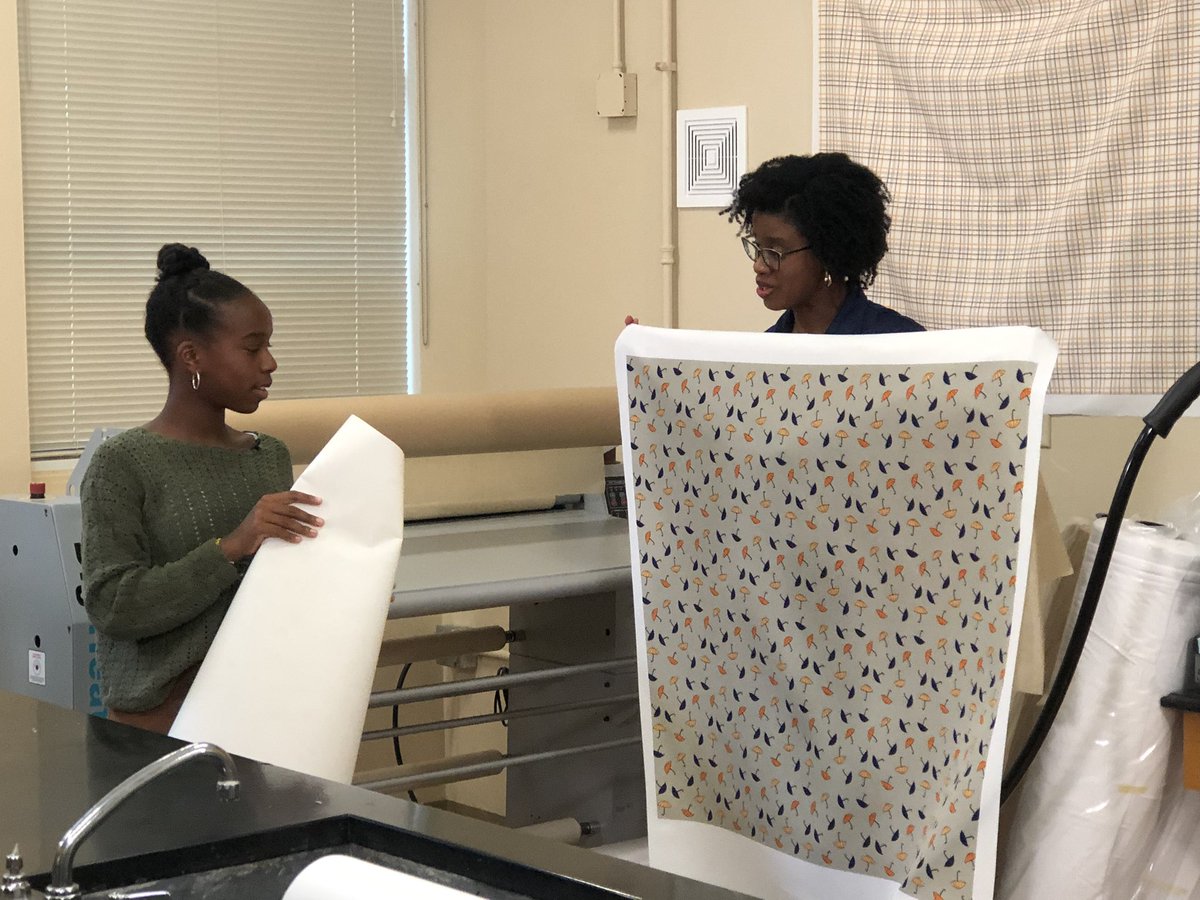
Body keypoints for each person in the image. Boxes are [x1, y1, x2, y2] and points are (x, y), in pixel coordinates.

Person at [81, 243, 324, 733]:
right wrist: (231, 547)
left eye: (269, 346)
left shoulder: (269, 455)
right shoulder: (122, 463)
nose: (270, 363)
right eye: (252, 348)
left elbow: (279, 581)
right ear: (191, 355)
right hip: (165, 721)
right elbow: (112, 605)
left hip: (267, 704)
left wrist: (345, 585)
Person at [723, 152, 924, 335]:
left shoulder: (900, 342)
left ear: (827, 254)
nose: (758, 266)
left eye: (775, 251)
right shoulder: (764, 351)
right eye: (758, 248)